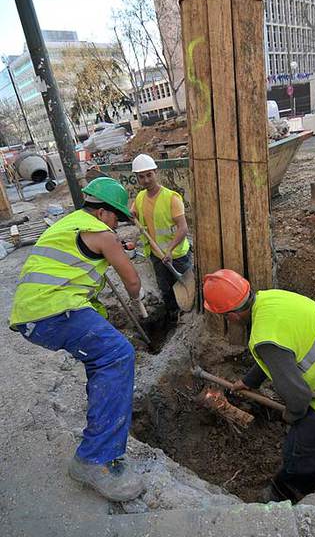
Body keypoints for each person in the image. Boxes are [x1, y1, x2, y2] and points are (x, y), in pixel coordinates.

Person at [9, 177, 145, 502]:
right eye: (116, 218)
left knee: (103, 356)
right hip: (54, 309)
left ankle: (99, 441)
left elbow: (77, 259)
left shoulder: (69, 224)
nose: (117, 226)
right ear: (102, 213)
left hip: (33, 312)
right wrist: (137, 297)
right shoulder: (102, 232)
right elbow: (133, 281)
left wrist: (113, 249)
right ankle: (94, 459)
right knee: (117, 354)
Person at [203, 269, 315, 503]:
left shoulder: (263, 338)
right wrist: (249, 381)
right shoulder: (272, 299)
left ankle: (285, 493)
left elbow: (299, 398)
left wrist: (291, 416)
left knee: (298, 449)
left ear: (232, 316)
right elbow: (279, 349)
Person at [131, 153, 192, 321]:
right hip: (156, 255)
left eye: (149, 175)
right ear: (137, 178)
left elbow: (183, 227)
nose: (146, 180)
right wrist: (131, 215)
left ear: (155, 172)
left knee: (186, 286)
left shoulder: (171, 197)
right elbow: (134, 213)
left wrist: (170, 250)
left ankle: (189, 318)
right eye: (141, 177)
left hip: (177, 255)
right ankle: (173, 316)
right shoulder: (140, 197)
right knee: (165, 288)